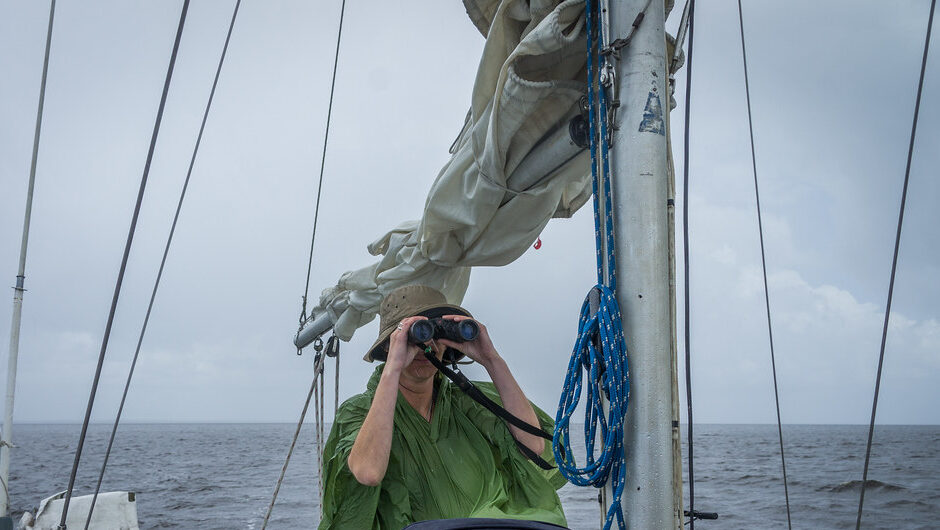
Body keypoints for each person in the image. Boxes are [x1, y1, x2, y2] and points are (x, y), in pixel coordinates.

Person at [318, 285, 567, 529]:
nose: (427, 346)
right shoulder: (359, 412)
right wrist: (392, 368)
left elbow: (535, 448)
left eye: (437, 335)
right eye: (417, 335)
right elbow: (368, 472)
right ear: (388, 345)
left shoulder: (473, 402)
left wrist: (492, 359)